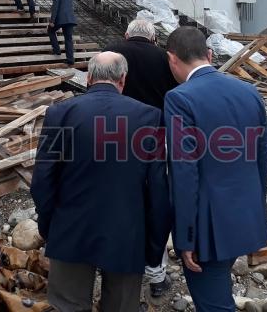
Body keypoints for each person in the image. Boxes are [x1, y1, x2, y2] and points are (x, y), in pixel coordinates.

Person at [32, 51, 171, 312]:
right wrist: (154, 247)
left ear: (89, 77)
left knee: (68, 306)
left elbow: (42, 180)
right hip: (127, 235)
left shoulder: (60, 113)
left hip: (70, 229)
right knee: (120, 306)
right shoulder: (149, 118)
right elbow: (158, 190)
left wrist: (49, 225)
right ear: (123, 79)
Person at [164, 27, 267, 312]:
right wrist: (257, 215)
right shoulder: (249, 91)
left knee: (213, 304)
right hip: (245, 214)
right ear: (209, 55)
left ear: (172, 59)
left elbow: (184, 172)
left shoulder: (179, 98)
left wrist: (185, 236)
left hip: (207, 224)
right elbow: (261, 157)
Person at [104, 18, 179, 298]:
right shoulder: (165, 58)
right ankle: (156, 273)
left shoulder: (111, 51)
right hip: (156, 138)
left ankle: (114, 259)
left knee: (118, 198)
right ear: (154, 38)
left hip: (114, 137)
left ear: (126, 35)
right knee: (155, 203)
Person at [48, 0, 76, 66]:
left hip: (61, 18)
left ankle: (57, 50)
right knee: (68, 39)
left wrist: (52, 21)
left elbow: (55, 7)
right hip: (70, 18)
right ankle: (70, 59)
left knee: (50, 30)